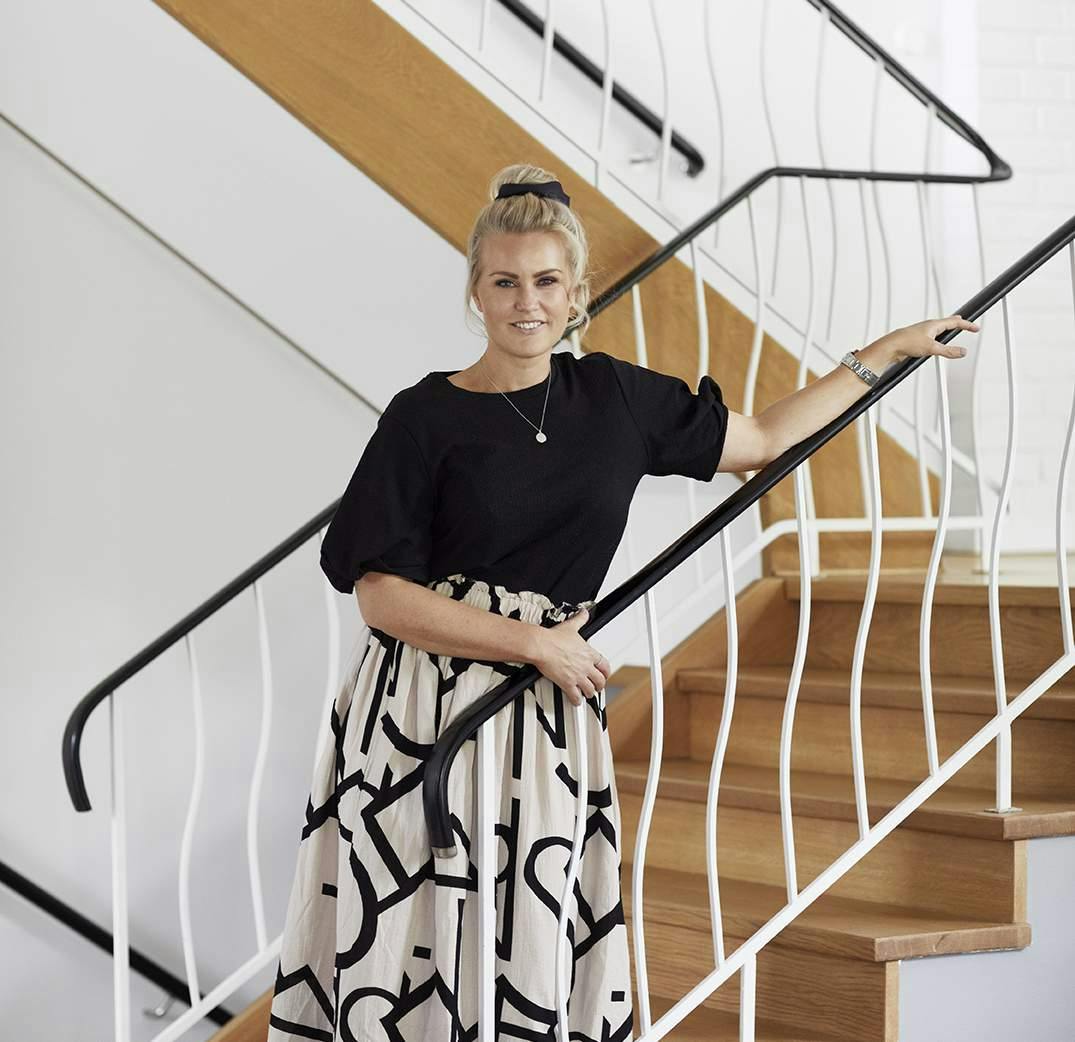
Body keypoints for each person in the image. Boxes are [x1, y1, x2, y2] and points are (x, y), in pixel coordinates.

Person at [265, 162, 979, 1042]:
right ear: (476, 294)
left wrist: (886, 352)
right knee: (411, 938)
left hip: (542, 711)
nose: (526, 301)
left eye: (546, 281)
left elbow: (757, 438)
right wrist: (533, 646)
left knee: (530, 930)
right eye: (504, 281)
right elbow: (379, 596)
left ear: (576, 295)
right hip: (422, 707)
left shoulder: (615, 399)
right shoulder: (424, 416)